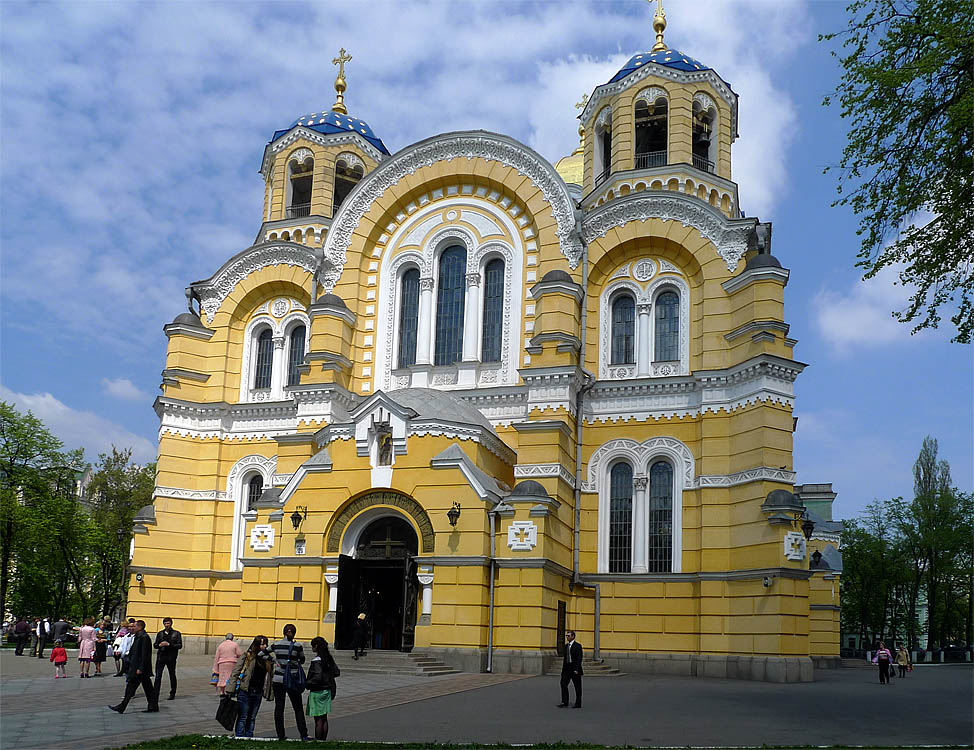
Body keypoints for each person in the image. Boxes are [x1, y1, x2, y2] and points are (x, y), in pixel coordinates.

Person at [227, 635, 275, 738]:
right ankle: (240, 738)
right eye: (261, 644)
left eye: (265, 644)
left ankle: (249, 737)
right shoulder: (248, 655)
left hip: (258, 692)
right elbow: (236, 671)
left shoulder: (267, 659)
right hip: (245, 691)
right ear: (256, 645)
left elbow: (271, 676)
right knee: (243, 717)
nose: (264, 646)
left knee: (252, 717)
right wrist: (230, 688)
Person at [108, 620, 159, 713]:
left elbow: (144, 655)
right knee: (148, 688)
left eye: (134, 626)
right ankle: (153, 706)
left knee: (131, 687)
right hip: (137, 667)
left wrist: (140, 668)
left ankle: (122, 706)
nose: (132, 628)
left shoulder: (144, 637)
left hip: (139, 668)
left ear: (140, 627)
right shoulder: (138, 636)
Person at [271, 623, 310, 741]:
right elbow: (302, 659)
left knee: (279, 707)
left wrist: (274, 660)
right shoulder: (297, 646)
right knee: (297, 707)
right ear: (294, 633)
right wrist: (294, 662)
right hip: (292, 679)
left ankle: (280, 734)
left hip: (278, 679)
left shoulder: (276, 644)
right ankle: (303, 734)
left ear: (283, 632)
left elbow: (262, 654)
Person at [305, 636, 340, 740]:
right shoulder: (328, 659)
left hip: (317, 691)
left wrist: (307, 683)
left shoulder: (317, 661)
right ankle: (323, 740)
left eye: (312, 646)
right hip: (328, 690)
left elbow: (317, 677)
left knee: (318, 720)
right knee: (324, 718)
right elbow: (336, 672)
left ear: (316, 646)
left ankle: (319, 740)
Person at [153, 616, 182, 700]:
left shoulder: (176, 633)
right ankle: (156, 693)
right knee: (158, 676)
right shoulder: (160, 633)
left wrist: (170, 645)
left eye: (168, 623)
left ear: (171, 624)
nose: (166, 625)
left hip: (171, 658)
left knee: (172, 675)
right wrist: (159, 645)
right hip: (161, 657)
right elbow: (155, 645)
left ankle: (172, 692)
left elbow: (179, 645)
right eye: (165, 623)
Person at [558, 630, 583, 708]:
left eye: (568, 636)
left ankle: (578, 703)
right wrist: (563, 671)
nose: (567, 637)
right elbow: (565, 659)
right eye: (566, 636)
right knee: (563, 684)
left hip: (575, 669)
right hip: (567, 669)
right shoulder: (566, 646)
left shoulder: (578, 646)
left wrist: (576, 669)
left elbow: (579, 658)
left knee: (577, 687)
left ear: (573, 636)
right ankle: (564, 701)